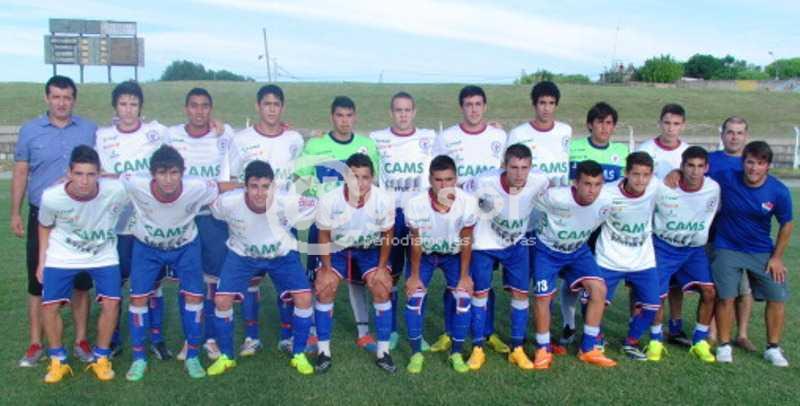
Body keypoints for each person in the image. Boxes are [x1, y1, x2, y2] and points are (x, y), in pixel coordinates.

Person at [120, 145, 238, 381]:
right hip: (147, 248)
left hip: (185, 247)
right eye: (162, 173)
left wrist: (248, 185)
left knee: (194, 297)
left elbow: (220, 186)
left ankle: (192, 355)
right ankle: (139, 358)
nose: (168, 179)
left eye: (174, 173)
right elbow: (110, 178)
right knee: (138, 299)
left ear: (182, 173)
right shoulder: (134, 183)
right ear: (152, 174)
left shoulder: (197, 187)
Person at [13, 75, 96, 367]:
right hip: (42, 217)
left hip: (78, 217)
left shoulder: (89, 129)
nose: (62, 103)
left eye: (67, 97)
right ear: (47, 98)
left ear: (74, 100)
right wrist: (15, 212)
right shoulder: (30, 130)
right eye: (56, 97)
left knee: (81, 282)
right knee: (38, 281)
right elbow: (21, 171)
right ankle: (36, 343)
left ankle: (81, 340)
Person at [206, 160, 316, 376]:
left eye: (266, 187)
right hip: (242, 255)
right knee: (222, 300)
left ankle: (299, 354)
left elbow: (317, 205)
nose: (260, 193)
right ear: (245, 186)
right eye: (254, 186)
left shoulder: (286, 201)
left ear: (273, 186)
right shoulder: (228, 202)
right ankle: (226, 357)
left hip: (281, 255)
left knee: (304, 298)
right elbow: (212, 203)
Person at [294, 96, 382, 353]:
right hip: (323, 224)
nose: (344, 121)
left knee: (357, 278)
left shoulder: (367, 145)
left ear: (355, 117)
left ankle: (363, 333)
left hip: (358, 224)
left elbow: (373, 182)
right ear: (332, 116)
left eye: (349, 115)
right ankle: (313, 332)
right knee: (318, 276)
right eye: (340, 115)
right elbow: (301, 179)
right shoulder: (315, 144)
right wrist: (315, 201)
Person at [95, 80, 172, 359]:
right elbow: (96, 173)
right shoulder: (102, 136)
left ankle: (156, 338)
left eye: (134, 104)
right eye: (123, 104)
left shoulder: (157, 132)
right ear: (115, 107)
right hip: (115, 223)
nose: (128, 109)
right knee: (114, 282)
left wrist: (217, 125)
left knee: (153, 284)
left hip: (148, 221)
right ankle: (113, 337)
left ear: (141, 107)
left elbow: (187, 137)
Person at [37, 146, 127, 383]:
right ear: (68, 173)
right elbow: (44, 226)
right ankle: (57, 360)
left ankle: (101, 358)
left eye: (90, 174)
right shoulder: (52, 197)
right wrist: (42, 261)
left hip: (103, 254)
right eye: (78, 174)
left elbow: (142, 181)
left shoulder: (116, 190)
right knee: (50, 306)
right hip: (62, 253)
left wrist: (113, 176)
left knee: (112, 303)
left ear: (100, 173)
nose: (84, 181)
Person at [435, 85, 509, 354]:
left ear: (485, 106)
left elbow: (507, 170)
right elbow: (438, 174)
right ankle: (449, 331)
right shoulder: (447, 137)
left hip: (489, 218)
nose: (474, 109)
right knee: (456, 277)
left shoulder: (499, 136)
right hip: (458, 216)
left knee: (483, 278)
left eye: (478, 104)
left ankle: (487, 332)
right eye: (468, 104)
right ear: (461, 107)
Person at [709, 141, 793, 366]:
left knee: (777, 295)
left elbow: (786, 224)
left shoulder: (778, 190)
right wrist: (676, 174)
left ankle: (773, 348)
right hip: (727, 247)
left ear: (768, 166)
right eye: (750, 162)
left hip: (761, 250)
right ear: (743, 162)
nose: (754, 168)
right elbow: (697, 174)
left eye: (760, 163)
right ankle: (724, 345)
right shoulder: (727, 178)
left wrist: (777, 257)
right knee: (725, 297)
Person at [467, 144, 548, 371]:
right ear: (504, 165)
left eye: (524, 168)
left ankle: (517, 349)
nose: (519, 174)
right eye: (514, 167)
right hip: (484, 243)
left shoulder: (540, 180)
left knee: (521, 294)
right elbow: (462, 198)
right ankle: (478, 348)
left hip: (516, 244)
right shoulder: (484, 181)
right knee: (480, 293)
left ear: (531, 167)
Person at [313, 153, 396, 373]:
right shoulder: (329, 199)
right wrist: (327, 269)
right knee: (325, 287)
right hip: (338, 249)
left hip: (369, 249)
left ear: (372, 178)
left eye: (365, 177)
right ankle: (323, 351)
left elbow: (388, 234)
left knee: (382, 287)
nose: (359, 183)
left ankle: (384, 352)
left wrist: (381, 268)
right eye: (354, 177)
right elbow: (323, 235)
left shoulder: (383, 199)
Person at [168, 87, 234, 361]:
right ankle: (190, 338)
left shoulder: (225, 136)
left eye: (204, 106)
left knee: (214, 281)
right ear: (186, 108)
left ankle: (212, 338)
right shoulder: (171, 136)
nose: (199, 111)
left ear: (211, 109)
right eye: (194, 105)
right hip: (183, 218)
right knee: (188, 281)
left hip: (213, 219)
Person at [530, 160, 616, 369]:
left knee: (599, 289)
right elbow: (526, 201)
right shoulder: (555, 197)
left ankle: (588, 348)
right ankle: (543, 348)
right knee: (543, 297)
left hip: (578, 251)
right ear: (575, 183)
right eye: (587, 184)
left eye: (597, 184)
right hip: (546, 251)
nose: (592, 190)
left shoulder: (606, 201)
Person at [370, 91, 437, 350]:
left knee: (418, 274)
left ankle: (417, 333)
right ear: (391, 112)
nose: (403, 114)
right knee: (392, 274)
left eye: (407, 110)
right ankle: (392, 330)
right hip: (392, 216)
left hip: (421, 215)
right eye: (398, 110)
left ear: (414, 112)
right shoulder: (377, 139)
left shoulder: (430, 137)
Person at [560, 101, 629, 346]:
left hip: (606, 226)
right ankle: (568, 324)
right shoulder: (574, 148)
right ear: (590, 125)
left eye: (609, 123)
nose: (604, 127)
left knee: (597, 277)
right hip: (576, 223)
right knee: (571, 278)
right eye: (599, 122)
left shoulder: (621, 152)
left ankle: (593, 329)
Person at [403, 155, 478, 374]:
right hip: (425, 255)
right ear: (430, 180)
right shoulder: (415, 203)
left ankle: (456, 353)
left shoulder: (468, 202)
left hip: (453, 256)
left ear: (456, 179)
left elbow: (466, 239)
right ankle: (416, 353)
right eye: (438, 180)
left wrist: (465, 276)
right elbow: (415, 242)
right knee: (414, 299)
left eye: (448, 179)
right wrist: (414, 275)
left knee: (463, 299)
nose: (444, 185)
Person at [648, 146, 719, 363]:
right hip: (664, 247)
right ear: (682, 166)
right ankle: (655, 340)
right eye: (690, 166)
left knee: (709, 292)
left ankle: (699, 341)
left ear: (706, 168)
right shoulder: (663, 187)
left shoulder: (713, 188)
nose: (695, 171)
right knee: (657, 295)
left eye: (700, 166)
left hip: (693, 251)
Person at [594, 152, 662, 361]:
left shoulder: (655, 186)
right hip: (609, 257)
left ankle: (631, 342)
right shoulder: (607, 192)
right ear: (626, 173)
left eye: (646, 175)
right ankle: (596, 338)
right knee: (594, 301)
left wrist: (676, 174)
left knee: (653, 305)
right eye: (636, 174)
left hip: (642, 259)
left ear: (651, 175)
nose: (641, 180)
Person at [635, 103, 691, 346]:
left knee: (676, 282)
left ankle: (675, 326)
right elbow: (636, 180)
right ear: (660, 123)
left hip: (677, 225)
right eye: (667, 123)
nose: (670, 128)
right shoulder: (646, 149)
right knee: (644, 277)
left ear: (683, 126)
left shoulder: (687, 153)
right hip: (648, 223)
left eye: (676, 124)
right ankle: (637, 323)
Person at [706, 116, 755, 351]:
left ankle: (742, 334)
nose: (734, 137)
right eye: (730, 132)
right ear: (722, 134)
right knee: (717, 285)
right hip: (714, 232)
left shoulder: (751, 162)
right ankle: (712, 332)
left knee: (744, 288)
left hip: (744, 236)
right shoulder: (710, 160)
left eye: (739, 132)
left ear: (746, 136)